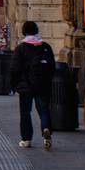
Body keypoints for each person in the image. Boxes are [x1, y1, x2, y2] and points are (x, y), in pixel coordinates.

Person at [9, 21, 55, 150]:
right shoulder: (45, 46)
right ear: (36, 31)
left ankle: (26, 139)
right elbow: (51, 66)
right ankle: (46, 129)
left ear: (24, 32)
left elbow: (14, 69)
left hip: (25, 86)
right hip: (42, 85)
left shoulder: (21, 48)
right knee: (43, 109)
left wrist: (14, 84)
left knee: (25, 113)